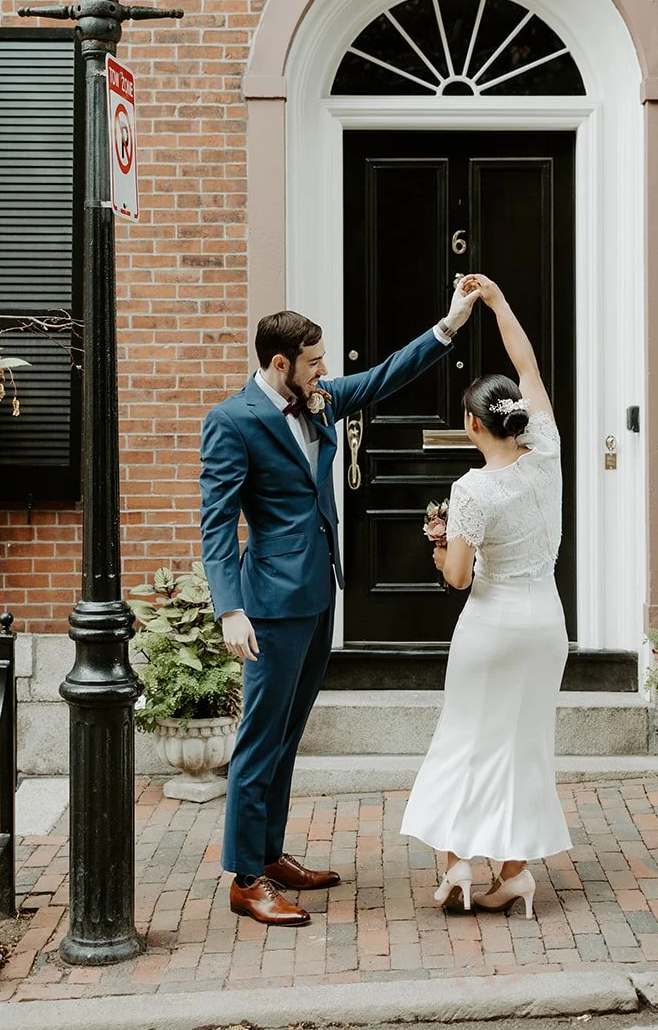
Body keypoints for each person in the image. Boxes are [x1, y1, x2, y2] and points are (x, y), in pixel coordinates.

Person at [200, 277, 485, 926]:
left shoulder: (318, 402)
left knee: (286, 736)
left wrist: (449, 324)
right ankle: (246, 878)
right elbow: (216, 523)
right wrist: (229, 608)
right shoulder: (232, 422)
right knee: (257, 740)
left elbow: (384, 377)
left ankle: (269, 854)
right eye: (314, 361)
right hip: (268, 604)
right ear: (280, 364)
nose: (325, 371)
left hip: (316, 593)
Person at [399, 274, 571, 919]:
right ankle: (515, 874)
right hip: (545, 623)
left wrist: (440, 541)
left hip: (493, 624)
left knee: (465, 739)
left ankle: (458, 866)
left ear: (472, 424)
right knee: (525, 744)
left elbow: (459, 579)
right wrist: (499, 302)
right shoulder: (547, 451)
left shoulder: (473, 489)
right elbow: (525, 363)